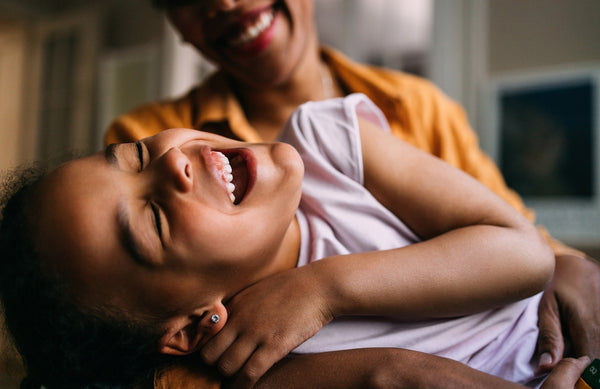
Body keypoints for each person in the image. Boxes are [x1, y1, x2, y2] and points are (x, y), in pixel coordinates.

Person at [104, 0, 600, 383]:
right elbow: (136, 355)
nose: (224, 2)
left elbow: (520, 236)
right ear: (174, 24)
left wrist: (567, 261)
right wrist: (385, 375)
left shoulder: (412, 109)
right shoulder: (143, 140)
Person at [0, 94, 587, 389]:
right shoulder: (258, 369)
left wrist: (326, 289)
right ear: (186, 328)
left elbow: (527, 256)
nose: (173, 162)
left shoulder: (330, 141)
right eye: (153, 221)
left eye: (133, 155)